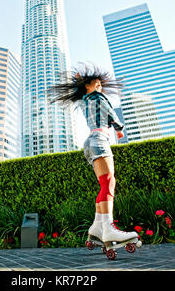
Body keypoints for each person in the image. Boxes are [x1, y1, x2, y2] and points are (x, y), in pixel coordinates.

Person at [47, 63, 138, 244]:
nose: (100, 86)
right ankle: (109, 228)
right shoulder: (98, 97)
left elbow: (86, 95)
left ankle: (98, 226)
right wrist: (119, 128)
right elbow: (109, 111)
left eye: (100, 84)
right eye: (97, 83)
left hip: (89, 143)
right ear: (89, 86)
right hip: (99, 139)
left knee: (104, 184)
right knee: (109, 182)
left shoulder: (84, 101)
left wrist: (81, 81)